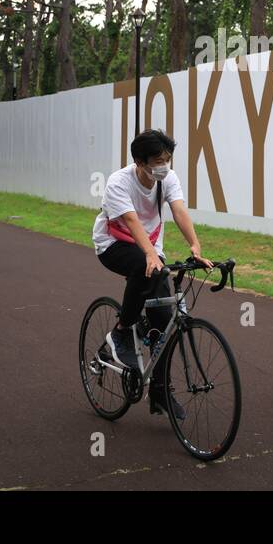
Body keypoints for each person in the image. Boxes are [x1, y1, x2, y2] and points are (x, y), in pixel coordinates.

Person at [92, 128, 211, 418]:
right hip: (114, 243)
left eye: (168, 159)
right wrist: (149, 255)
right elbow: (131, 222)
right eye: (158, 160)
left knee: (164, 321)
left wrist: (195, 245)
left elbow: (179, 211)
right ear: (140, 162)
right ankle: (121, 333)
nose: (165, 165)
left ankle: (160, 393)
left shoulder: (167, 178)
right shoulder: (119, 183)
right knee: (142, 268)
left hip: (150, 247)